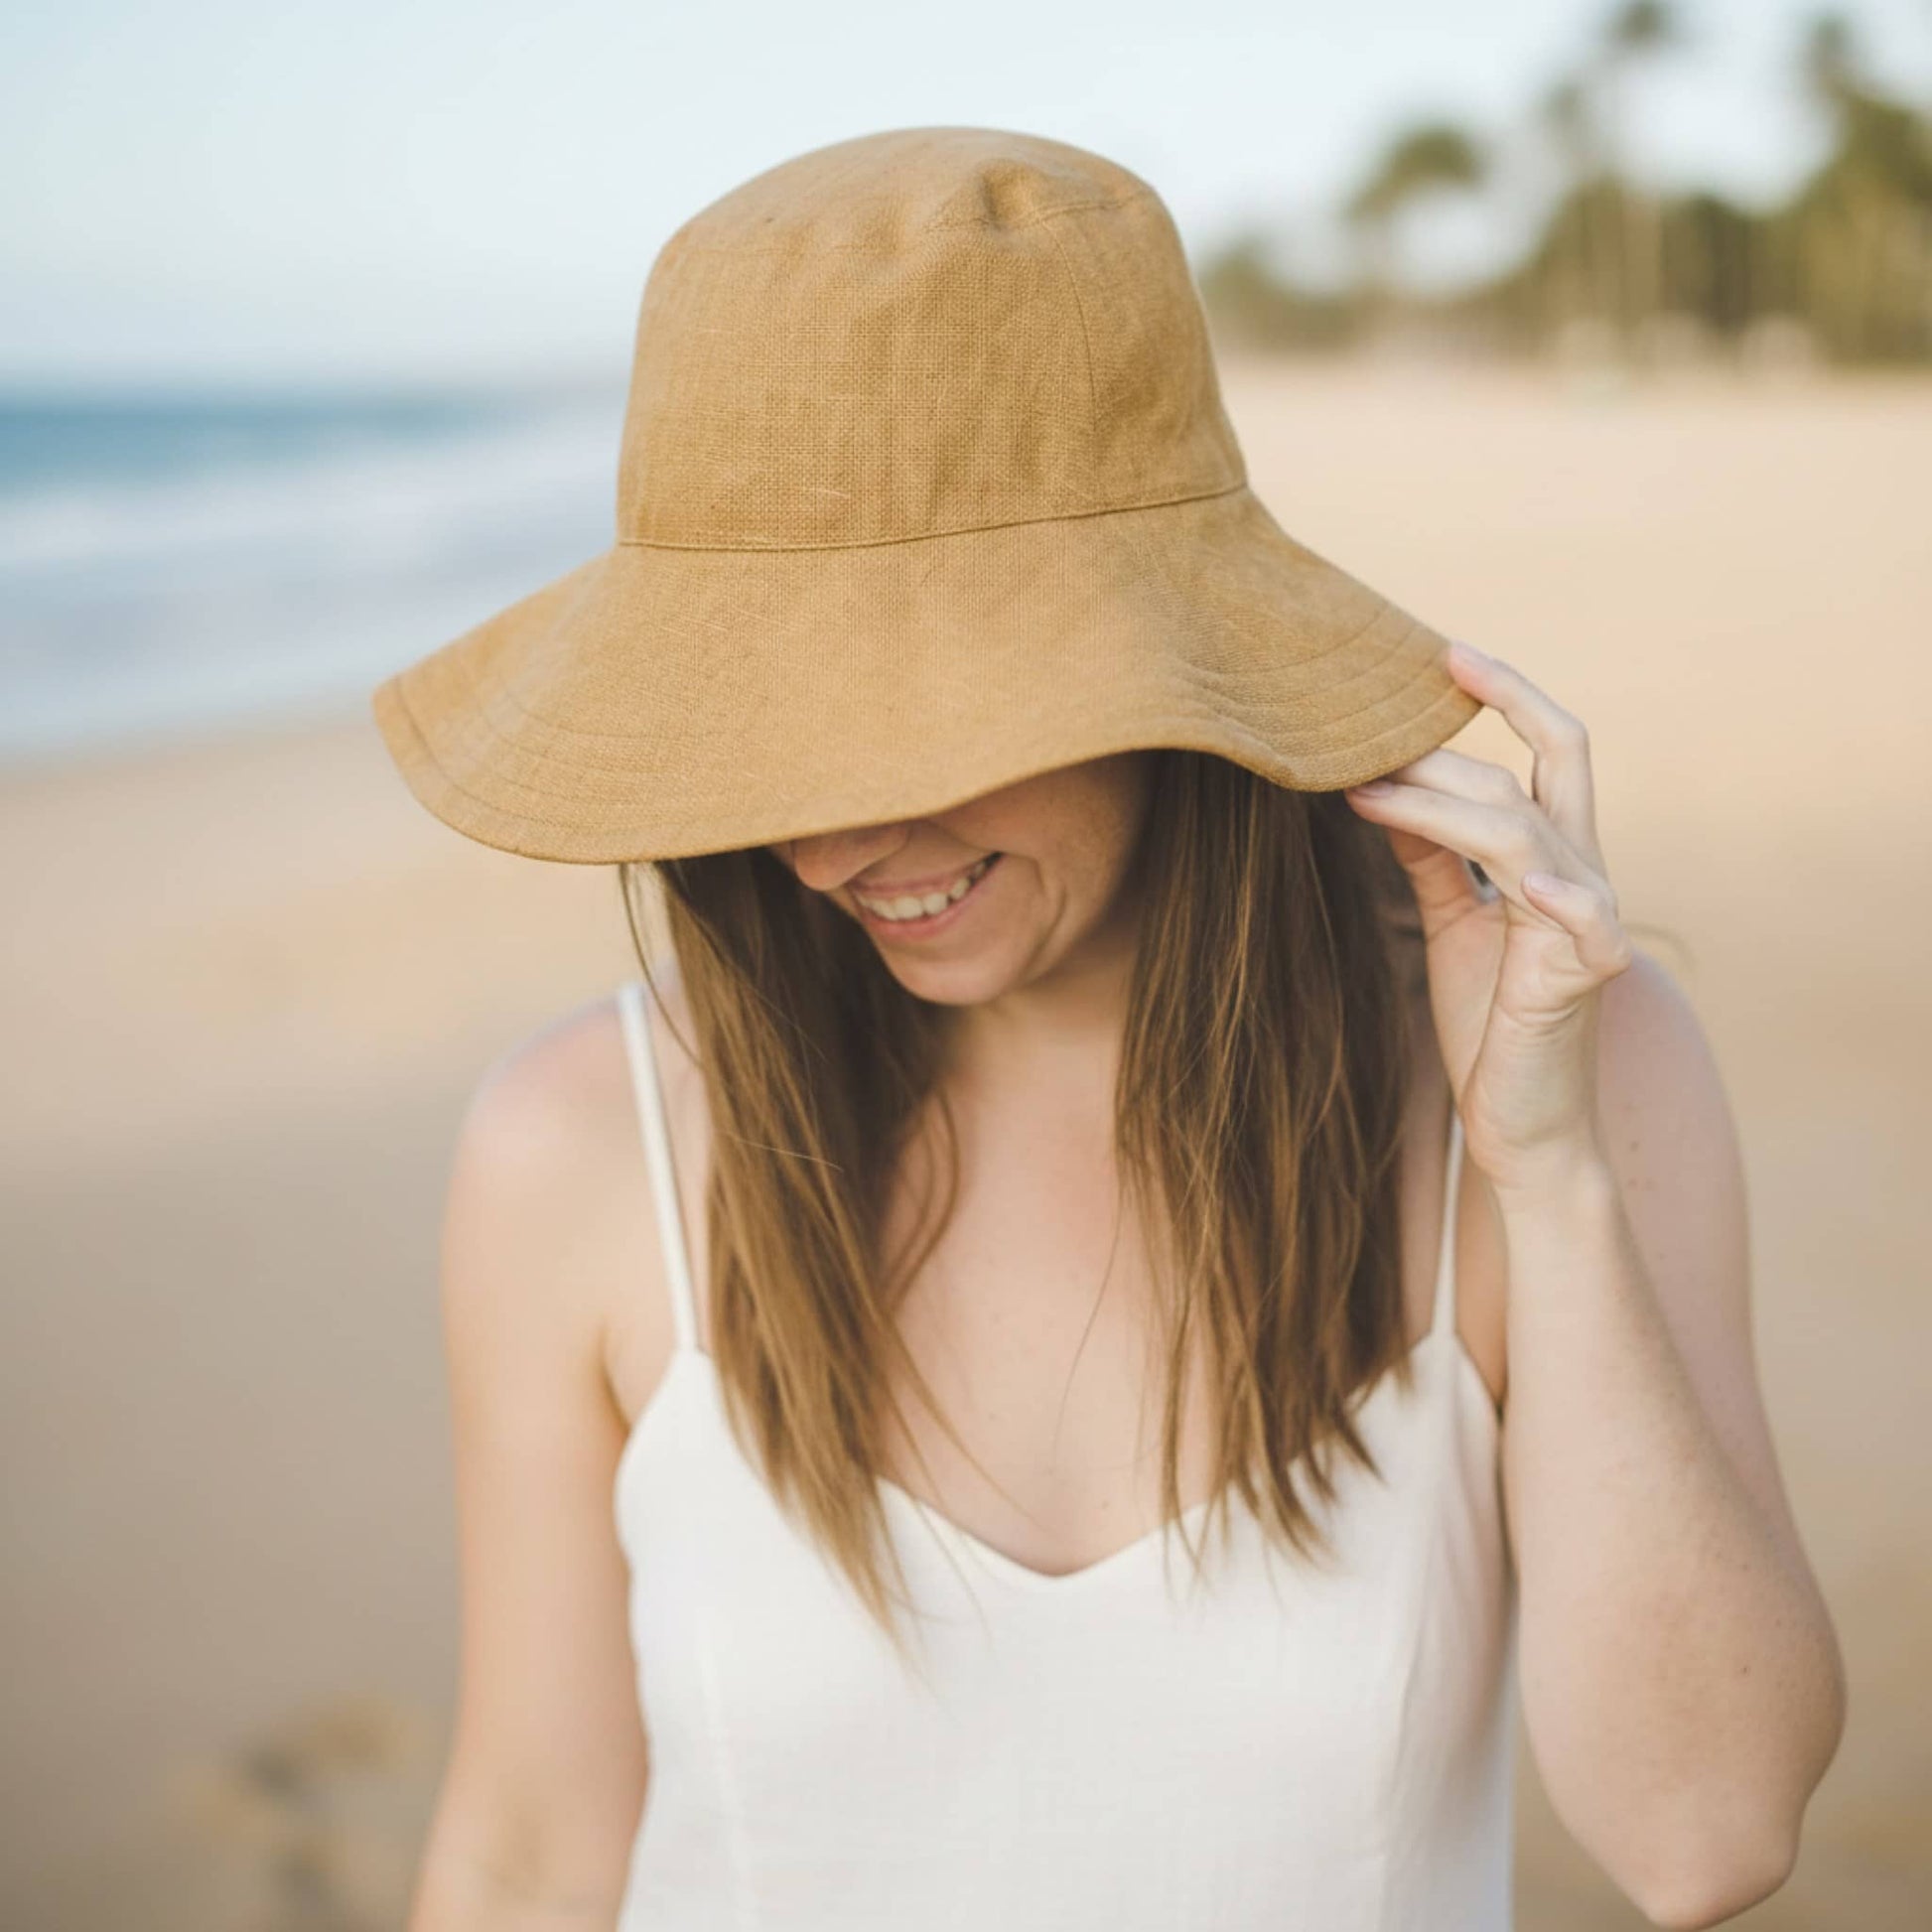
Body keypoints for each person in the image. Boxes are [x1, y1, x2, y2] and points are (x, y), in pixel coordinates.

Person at [371, 127, 1844, 1932]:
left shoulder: (1566, 1078)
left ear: (1157, 657)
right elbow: (525, 1847)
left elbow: (1705, 1835)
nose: (831, 845)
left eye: (922, 730)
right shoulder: (581, 1145)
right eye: (761, 742)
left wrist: (1543, 1173)